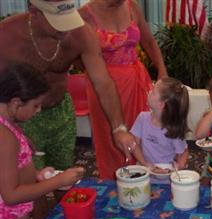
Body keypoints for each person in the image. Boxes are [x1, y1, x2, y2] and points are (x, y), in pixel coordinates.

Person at [0, 0, 136, 172]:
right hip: (21, 119)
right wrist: (9, 128)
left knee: (64, 176)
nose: (66, 29)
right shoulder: (6, 35)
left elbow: (103, 82)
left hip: (61, 111)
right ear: (35, 11)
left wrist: (119, 128)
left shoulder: (81, 33)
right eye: (57, 21)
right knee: (29, 182)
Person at [0, 63, 84, 219]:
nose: (38, 112)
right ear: (16, 103)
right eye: (36, 105)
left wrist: (37, 174)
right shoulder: (5, 137)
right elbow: (10, 196)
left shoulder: (6, 124)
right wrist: (57, 181)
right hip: (11, 216)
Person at [79, 0, 167, 180]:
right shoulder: (84, 14)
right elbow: (75, 54)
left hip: (136, 83)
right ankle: (114, 184)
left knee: (143, 133)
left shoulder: (132, 6)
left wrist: (162, 70)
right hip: (102, 87)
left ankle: (145, 178)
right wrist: (94, 69)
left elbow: (149, 41)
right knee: (110, 139)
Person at [130, 77, 189, 178]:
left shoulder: (172, 129)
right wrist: (145, 163)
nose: (149, 92)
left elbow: (183, 152)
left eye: (152, 91)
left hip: (166, 177)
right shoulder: (142, 118)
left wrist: (179, 166)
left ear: (161, 104)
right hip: (144, 174)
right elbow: (134, 144)